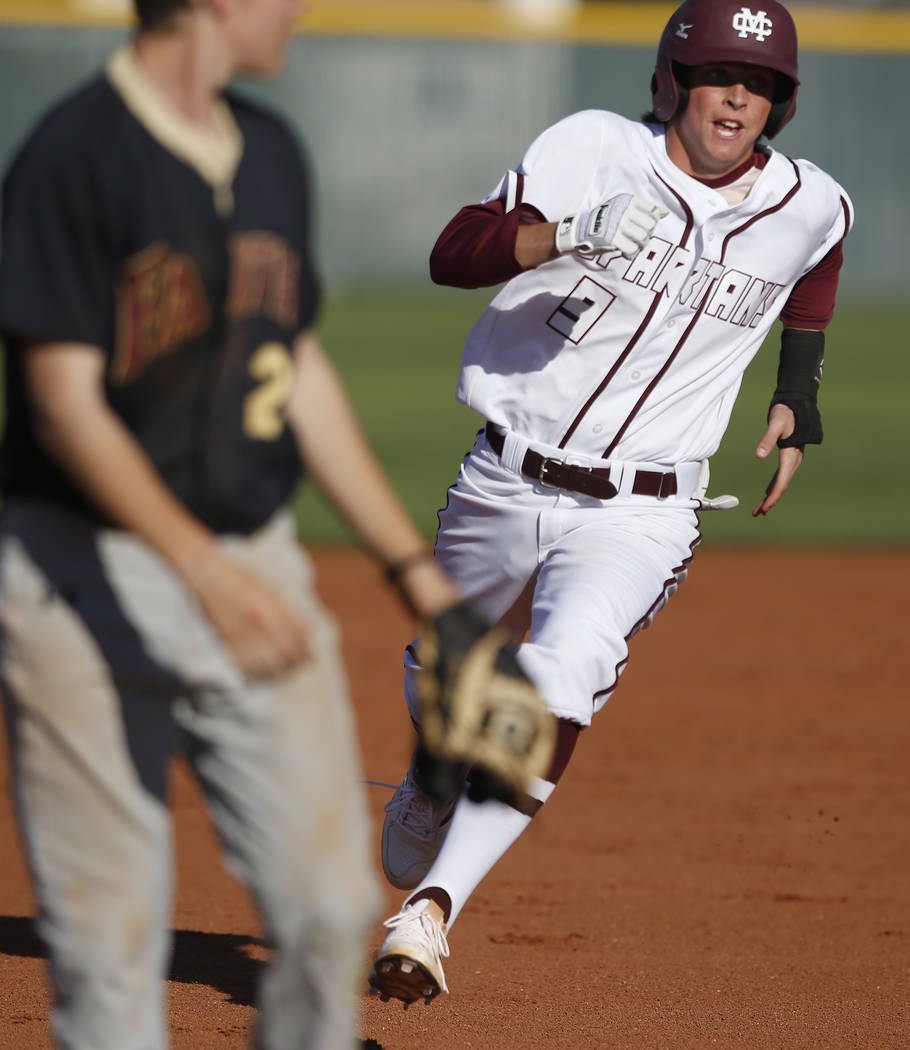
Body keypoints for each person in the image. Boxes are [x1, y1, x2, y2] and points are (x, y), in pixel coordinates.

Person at [0, 1, 470, 1047]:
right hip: (81, 582)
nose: (300, 8)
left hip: (254, 566)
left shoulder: (274, 150)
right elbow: (63, 401)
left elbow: (298, 365)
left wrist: (421, 579)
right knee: (111, 960)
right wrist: (197, 568)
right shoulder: (76, 152)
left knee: (331, 913)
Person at [368, 0, 852, 1007]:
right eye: (720, 76)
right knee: (444, 676)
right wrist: (562, 235)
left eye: (759, 86)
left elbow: (819, 259)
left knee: (564, 670)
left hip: (646, 508)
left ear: (782, 104)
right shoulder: (591, 147)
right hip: (506, 475)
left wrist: (796, 395)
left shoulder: (807, 202)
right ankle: (431, 768)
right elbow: (451, 252)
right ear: (675, 79)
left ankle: (432, 913)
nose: (737, 99)